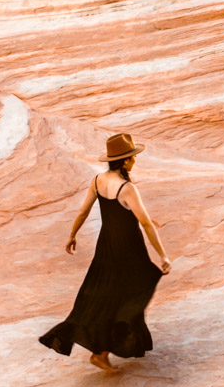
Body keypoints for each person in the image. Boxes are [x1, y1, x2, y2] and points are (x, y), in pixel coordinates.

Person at [39, 131, 171, 372]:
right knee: (128, 297)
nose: (134, 160)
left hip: (106, 247)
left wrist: (72, 235)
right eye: (132, 156)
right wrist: (162, 255)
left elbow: (83, 211)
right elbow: (146, 223)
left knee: (105, 296)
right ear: (125, 160)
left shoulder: (98, 180)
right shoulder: (127, 188)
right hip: (128, 251)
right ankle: (101, 353)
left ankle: (105, 350)